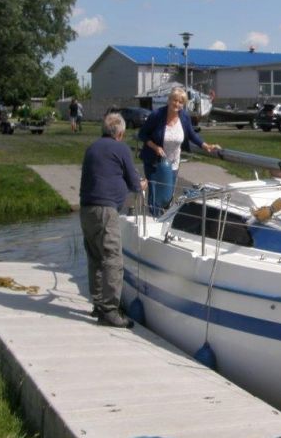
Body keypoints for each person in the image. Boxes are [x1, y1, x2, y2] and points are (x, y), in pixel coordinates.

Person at [79, 112, 147, 328]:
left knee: (96, 258)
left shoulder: (93, 147)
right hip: (105, 211)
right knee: (113, 259)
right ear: (120, 133)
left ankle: (99, 305)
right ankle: (110, 310)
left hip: (86, 209)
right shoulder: (121, 148)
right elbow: (134, 182)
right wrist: (141, 185)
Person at [138, 87, 221, 216]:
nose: (177, 104)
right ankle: (154, 219)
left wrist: (206, 146)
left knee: (168, 195)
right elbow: (142, 134)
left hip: (173, 163)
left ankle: (163, 221)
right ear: (169, 100)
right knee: (156, 195)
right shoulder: (157, 115)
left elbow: (192, 135)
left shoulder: (184, 116)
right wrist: (155, 147)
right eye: (174, 100)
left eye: (180, 102)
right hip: (155, 162)